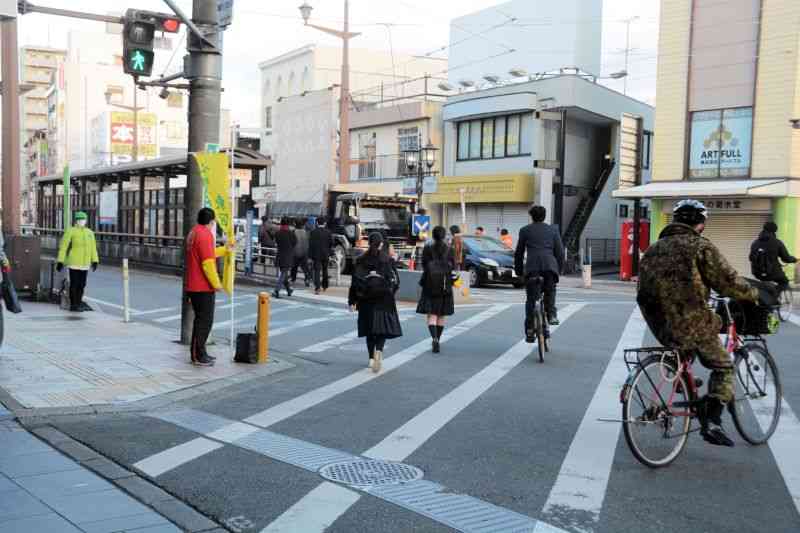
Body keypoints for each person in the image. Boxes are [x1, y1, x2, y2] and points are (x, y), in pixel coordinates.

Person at [638, 199, 759, 448]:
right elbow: (727, 281)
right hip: (691, 322)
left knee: (686, 346)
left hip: (659, 323)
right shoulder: (700, 246)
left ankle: (683, 383)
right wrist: (753, 295)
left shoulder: (654, 248)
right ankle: (712, 419)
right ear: (700, 224)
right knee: (724, 365)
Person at [348, 232, 402, 373]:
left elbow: (354, 282)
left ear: (369, 242)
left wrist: (352, 300)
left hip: (366, 298)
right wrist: (391, 292)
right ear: (381, 244)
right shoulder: (387, 260)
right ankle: (379, 350)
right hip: (384, 298)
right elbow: (396, 280)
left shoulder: (361, 260)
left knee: (369, 329)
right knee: (382, 328)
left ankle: (371, 358)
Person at [185, 207, 230, 366]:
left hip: (194, 284)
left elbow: (207, 254)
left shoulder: (194, 232)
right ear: (211, 221)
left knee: (202, 320)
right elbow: (208, 263)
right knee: (204, 321)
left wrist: (225, 250)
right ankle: (198, 355)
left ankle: (200, 352)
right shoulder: (205, 235)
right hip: (202, 286)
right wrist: (216, 284)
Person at [515, 205, 563, 331]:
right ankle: (551, 315)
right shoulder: (553, 230)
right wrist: (559, 270)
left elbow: (519, 253)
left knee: (531, 298)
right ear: (544, 216)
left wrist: (519, 271)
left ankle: (530, 329)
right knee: (550, 290)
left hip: (532, 268)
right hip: (549, 266)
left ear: (532, 217)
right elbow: (560, 253)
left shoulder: (525, 230)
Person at [417, 226, 456, 353]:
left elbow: (423, 265)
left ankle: (434, 339)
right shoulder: (449, 249)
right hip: (445, 285)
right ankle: (438, 339)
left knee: (432, 314)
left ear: (433, 236)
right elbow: (453, 267)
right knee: (441, 314)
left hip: (430, 284)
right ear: (444, 236)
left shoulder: (428, 249)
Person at [56, 211, 99, 312]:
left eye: (83, 219)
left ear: (86, 220)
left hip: (85, 263)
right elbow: (63, 247)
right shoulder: (71, 231)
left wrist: (95, 260)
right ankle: (73, 305)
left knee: (82, 284)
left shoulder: (90, 233)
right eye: (79, 219)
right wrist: (60, 261)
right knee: (74, 284)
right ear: (76, 221)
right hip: (74, 263)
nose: (81, 221)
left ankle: (78, 303)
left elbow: (93, 248)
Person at [750, 221, 797, 292]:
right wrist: (794, 259)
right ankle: (773, 294)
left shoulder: (755, 243)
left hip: (757, 273)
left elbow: (751, 258)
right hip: (772, 273)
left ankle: (768, 293)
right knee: (784, 282)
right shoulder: (777, 242)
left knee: (767, 278)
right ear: (774, 231)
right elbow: (786, 259)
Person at [274, 217, 297, 298]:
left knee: (284, 274)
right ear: (288, 224)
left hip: (280, 255)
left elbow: (276, 242)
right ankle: (277, 289)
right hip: (288, 255)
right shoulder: (291, 233)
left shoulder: (277, 233)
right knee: (284, 273)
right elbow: (294, 243)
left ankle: (288, 290)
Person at [309, 216, 333, 295]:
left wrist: (310, 256)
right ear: (325, 223)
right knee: (325, 270)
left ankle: (317, 288)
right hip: (325, 254)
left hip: (316, 255)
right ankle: (325, 285)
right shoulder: (328, 232)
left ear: (317, 223)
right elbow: (331, 244)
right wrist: (330, 253)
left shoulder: (313, 232)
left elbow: (311, 245)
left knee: (317, 271)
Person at [291, 219, 311, 287]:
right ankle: (307, 279)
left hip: (295, 252)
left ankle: (293, 279)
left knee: (294, 267)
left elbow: (292, 242)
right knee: (305, 267)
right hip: (305, 252)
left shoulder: (293, 231)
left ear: (295, 224)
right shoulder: (305, 232)